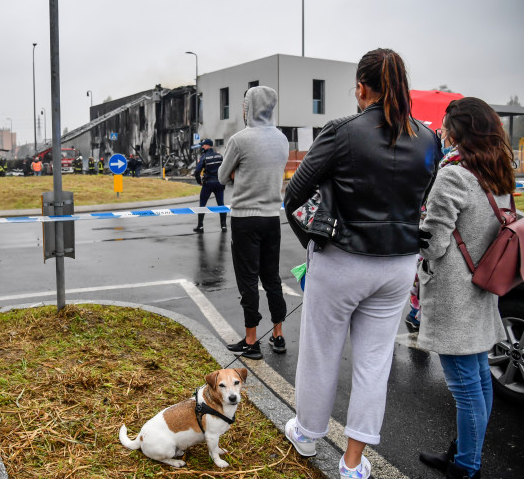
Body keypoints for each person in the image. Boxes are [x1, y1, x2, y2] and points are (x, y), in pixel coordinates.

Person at [282, 49, 440, 479]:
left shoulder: (341, 131)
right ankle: (352, 464)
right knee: (375, 363)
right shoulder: (429, 138)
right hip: (398, 262)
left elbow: (293, 196)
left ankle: (309, 434)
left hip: (343, 259)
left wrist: (313, 245)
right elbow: (420, 199)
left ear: (362, 87)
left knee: (321, 353)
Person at [417, 98, 512, 479]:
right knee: (476, 378)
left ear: (458, 132)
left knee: (464, 387)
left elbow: (435, 243)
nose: (441, 132)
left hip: (455, 293)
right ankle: (466, 454)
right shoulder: (497, 171)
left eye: (445, 126)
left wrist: (412, 232)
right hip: (484, 284)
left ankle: (466, 465)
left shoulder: (453, 174)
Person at [218, 86, 289, 359]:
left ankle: (251, 340)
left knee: (248, 280)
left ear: (249, 106)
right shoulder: (281, 139)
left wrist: (240, 172)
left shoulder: (239, 140)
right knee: (272, 277)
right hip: (272, 217)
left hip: (245, 219)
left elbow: (224, 176)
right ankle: (278, 334)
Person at [192, 139, 227, 233]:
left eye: (203, 145)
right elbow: (225, 169)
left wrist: (199, 182)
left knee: (202, 204)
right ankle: (223, 226)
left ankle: (200, 226)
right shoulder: (220, 156)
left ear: (207, 146)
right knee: (221, 205)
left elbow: (197, 172)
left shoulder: (204, 157)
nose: (202, 147)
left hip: (208, 184)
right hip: (219, 183)